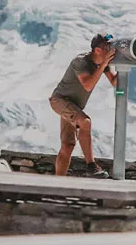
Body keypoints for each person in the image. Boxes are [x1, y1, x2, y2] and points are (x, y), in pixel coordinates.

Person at [49, 33, 117, 178]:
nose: (111, 49)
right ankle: (91, 166)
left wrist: (126, 66)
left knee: (67, 146)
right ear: (98, 50)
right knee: (85, 122)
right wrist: (104, 64)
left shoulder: (102, 64)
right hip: (60, 100)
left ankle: (58, 182)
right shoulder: (80, 62)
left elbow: (115, 82)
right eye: (108, 47)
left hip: (73, 106)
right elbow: (88, 85)